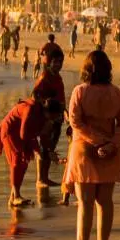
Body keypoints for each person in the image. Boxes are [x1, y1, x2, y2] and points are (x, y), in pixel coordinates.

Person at [60, 49, 120, 240]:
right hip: (109, 151)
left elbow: (75, 122)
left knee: (85, 202)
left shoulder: (80, 92)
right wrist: (111, 142)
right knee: (105, 201)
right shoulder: (116, 93)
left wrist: (96, 139)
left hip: (84, 150)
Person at [0, 92, 48, 206]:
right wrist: (36, 148)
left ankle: (13, 197)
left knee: (25, 161)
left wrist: (36, 148)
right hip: (10, 131)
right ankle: (16, 196)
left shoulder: (39, 109)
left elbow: (30, 132)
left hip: (20, 132)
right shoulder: (29, 108)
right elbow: (24, 134)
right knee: (17, 161)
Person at [34, 46, 67, 188]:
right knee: (44, 148)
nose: (58, 65)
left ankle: (45, 177)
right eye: (55, 62)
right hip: (47, 119)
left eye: (60, 62)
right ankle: (40, 179)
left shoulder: (58, 77)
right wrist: (45, 104)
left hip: (58, 117)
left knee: (51, 148)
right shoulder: (45, 77)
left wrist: (65, 112)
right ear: (49, 62)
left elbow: (61, 98)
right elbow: (34, 95)